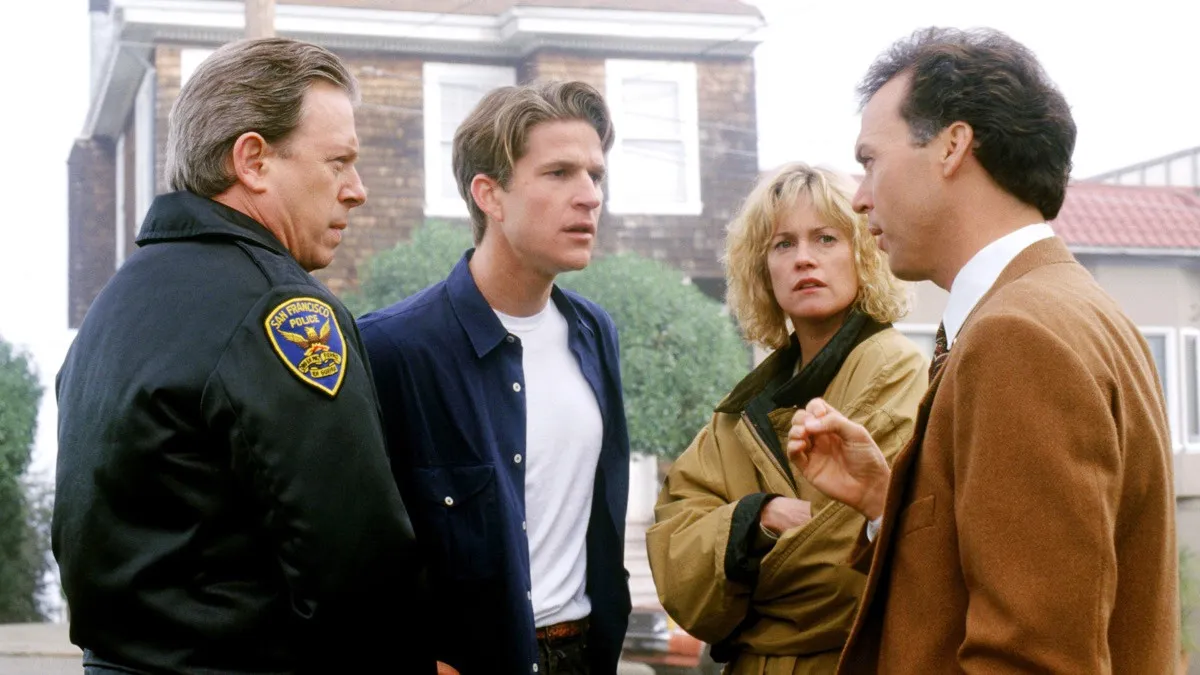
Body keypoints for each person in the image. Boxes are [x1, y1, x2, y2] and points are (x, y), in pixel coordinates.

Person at [786, 27, 1178, 672]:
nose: (859, 198)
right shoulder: (1075, 307)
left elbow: (1031, 656)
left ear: (952, 145)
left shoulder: (1017, 337)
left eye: (870, 160)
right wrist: (893, 503)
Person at [52, 38, 433, 674]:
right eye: (338, 161)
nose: (358, 190)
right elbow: (356, 570)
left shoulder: (116, 302)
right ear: (253, 160)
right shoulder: (280, 309)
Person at [358, 80, 631, 675]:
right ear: (490, 194)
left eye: (596, 175)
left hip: (586, 653)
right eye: (559, 173)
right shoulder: (392, 347)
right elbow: (356, 548)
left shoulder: (594, 332)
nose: (589, 196)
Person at [645, 163, 926, 673]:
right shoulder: (743, 405)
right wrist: (758, 518)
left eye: (825, 239)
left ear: (865, 251)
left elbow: (842, 577)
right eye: (782, 245)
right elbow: (671, 556)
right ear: (761, 268)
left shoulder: (894, 370)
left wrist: (737, 608)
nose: (803, 259)